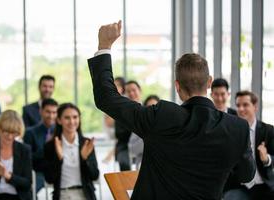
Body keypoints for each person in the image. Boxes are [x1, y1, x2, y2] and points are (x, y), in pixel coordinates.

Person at [87, 21, 255, 199]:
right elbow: (246, 174)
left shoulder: (162, 116)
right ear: (209, 83)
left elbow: (107, 98)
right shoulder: (238, 127)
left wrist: (104, 46)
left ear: (177, 86)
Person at [223, 91, 274, 200]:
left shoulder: (268, 130)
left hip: (264, 185)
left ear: (255, 107)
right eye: (238, 105)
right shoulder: (231, 132)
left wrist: (267, 159)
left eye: (245, 105)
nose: (241, 109)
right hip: (238, 186)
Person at [44, 103, 99, 200]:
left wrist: (84, 159)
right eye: (67, 118)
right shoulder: (51, 146)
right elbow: (49, 179)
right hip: (63, 195)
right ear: (59, 120)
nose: (72, 121)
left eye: (75, 117)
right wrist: (59, 159)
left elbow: (94, 175)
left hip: (85, 195)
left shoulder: (86, 143)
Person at [23, 98, 58, 193]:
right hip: (39, 172)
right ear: (41, 111)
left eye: (54, 112)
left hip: (59, 171)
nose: (51, 116)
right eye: (48, 112)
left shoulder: (60, 132)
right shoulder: (30, 133)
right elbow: (28, 158)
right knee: (29, 191)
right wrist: (47, 147)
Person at [129, 94, 160, 169]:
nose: (152, 110)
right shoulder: (139, 125)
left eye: (155, 107)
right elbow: (132, 149)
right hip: (143, 167)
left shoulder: (166, 126)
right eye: (149, 107)